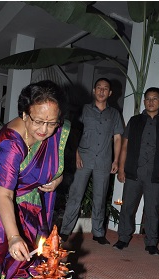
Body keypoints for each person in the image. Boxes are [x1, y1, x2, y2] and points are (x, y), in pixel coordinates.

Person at [0, 80, 70, 279]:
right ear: (25, 115)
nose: (44, 130)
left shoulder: (56, 130)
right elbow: (5, 194)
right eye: (38, 122)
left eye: (51, 123)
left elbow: (59, 166)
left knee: (30, 221)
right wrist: (14, 236)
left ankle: (17, 272)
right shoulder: (11, 145)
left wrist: (57, 179)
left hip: (27, 181)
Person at [113, 87, 159, 255]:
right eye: (147, 99)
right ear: (144, 101)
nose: (150, 102)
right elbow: (125, 147)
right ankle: (123, 238)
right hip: (134, 171)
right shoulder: (134, 121)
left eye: (154, 99)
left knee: (152, 210)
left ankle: (151, 243)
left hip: (156, 175)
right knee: (127, 207)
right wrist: (121, 168)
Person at [59, 78, 123, 245]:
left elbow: (117, 138)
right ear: (94, 90)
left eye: (105, 88)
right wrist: (77, 155)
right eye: (99, 88)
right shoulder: (83, 110)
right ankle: (65, 230)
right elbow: (75, 134)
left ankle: (98, 232)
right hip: (83, 159)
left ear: (110, 93)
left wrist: (116, 160)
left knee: (100, 198)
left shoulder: (115, 114)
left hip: (104, 161)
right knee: (75, 195)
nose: (102, 91)